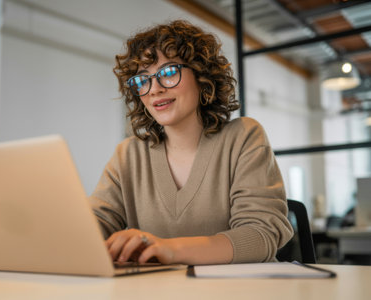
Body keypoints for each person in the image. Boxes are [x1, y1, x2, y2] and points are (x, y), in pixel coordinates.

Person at [89, 20, 293, 265]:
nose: (154, 89)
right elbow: (93, 224)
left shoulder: (244, 137)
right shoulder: (128, 154)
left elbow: (260, 236)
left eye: (168, 72)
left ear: (201, 75)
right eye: (142, 80)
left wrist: (169, 249)